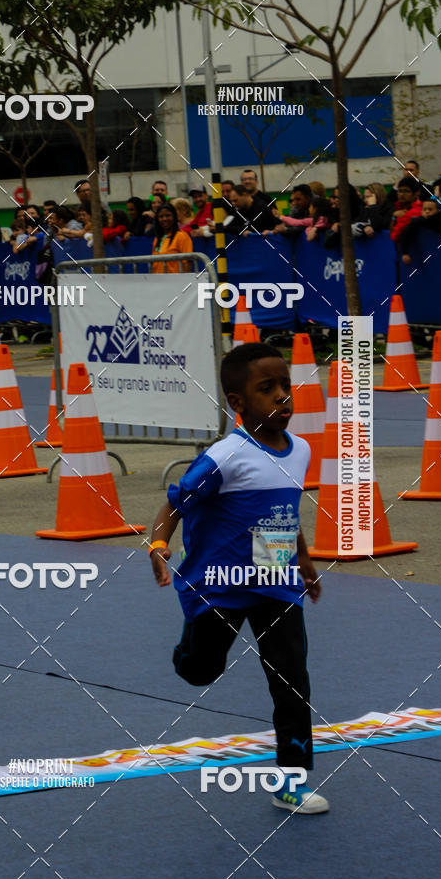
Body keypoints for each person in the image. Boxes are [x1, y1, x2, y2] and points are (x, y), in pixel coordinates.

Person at [150, 342, 328, 815]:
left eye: (286, 386)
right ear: (237, 401)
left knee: (292, 681)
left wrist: (304, 562)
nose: (282, 397)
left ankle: (291, 782)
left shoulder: (301, 450)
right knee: (200, 672)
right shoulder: (225, 457)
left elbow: (284, 512)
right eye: (266, 389)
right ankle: (188, 649)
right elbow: (176, 503)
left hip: (275, 579)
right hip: (221, 584)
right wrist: (158, 543)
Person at [400, 197, 441, 264]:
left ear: (438, 211)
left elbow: (439, 227)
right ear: (421, 211)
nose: (427, 211)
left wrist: (426, 220)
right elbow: (405, 234)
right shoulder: (416, 221)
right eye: (424, 209)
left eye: (430, 209)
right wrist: (404, 253)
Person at [151, 203, 193, 273]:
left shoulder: (181, 236)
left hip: (176, 282)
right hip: (158, 281)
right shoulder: (157, 238)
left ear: (174, 217)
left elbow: (187, 263)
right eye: (161, 216)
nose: (164, 219)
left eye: (168, 215)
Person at [390, 177, 423, 246]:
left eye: (406, 191)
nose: (401, 194)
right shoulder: (397, 208)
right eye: (400, 191)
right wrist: (394, 217)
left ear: (416, 193)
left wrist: (395, 217)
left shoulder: (416, 211)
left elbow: (394, 237)